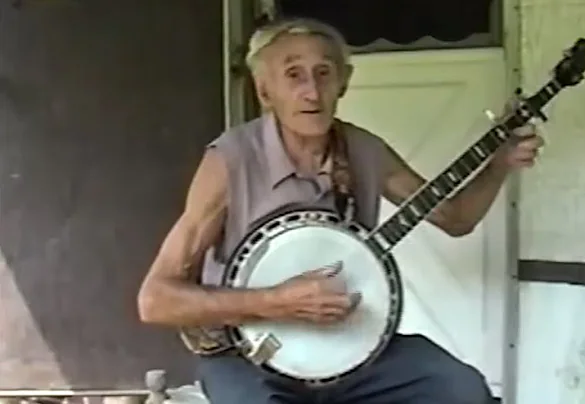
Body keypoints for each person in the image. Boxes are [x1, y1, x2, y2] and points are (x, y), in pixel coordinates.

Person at [137, 17, 543, 404]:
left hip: (350, 349)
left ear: (344, 83)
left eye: (324, 73)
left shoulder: (365, 151)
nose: (311, 92)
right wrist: (274, 302)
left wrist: (499, 165)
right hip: (248, 358)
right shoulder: (231, 161)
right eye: (293, 75)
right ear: (265, 92)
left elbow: (455, 219)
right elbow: (155, 300)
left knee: (461, 389)